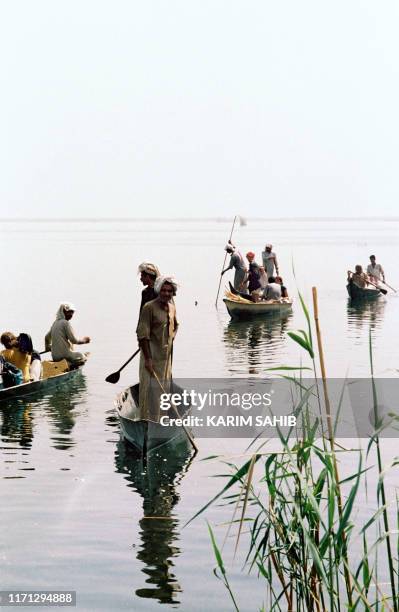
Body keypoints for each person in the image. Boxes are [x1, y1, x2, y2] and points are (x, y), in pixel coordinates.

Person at [136, 276, 178, 421]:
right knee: (148, 392)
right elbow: (142, 334)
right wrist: (147, 358)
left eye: (169, 291)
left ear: (173, 293)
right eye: (164, 290)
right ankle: (146, 422)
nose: (166, 293)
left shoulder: (172, 308)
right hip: (151, 359)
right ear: (159, 290)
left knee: (162, 392)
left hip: (165, 360)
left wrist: (168, 340)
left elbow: (175, 326)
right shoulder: (149, 307)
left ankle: (160, 421)